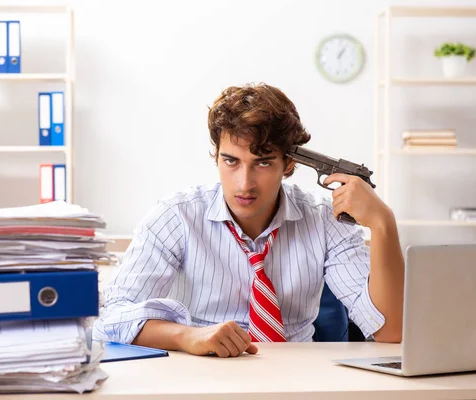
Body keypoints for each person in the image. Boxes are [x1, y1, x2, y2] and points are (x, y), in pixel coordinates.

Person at [94, 83, 405, 358]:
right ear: (216, 156)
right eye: (231, 161)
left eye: (263, 163)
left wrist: (383, 224)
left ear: (288, 164)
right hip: (203, 376)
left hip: (300, 382)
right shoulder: (176, 217)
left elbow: (390, 334)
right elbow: (110, 320)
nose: (244, 183)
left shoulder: (326, 222)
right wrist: (186, 336)